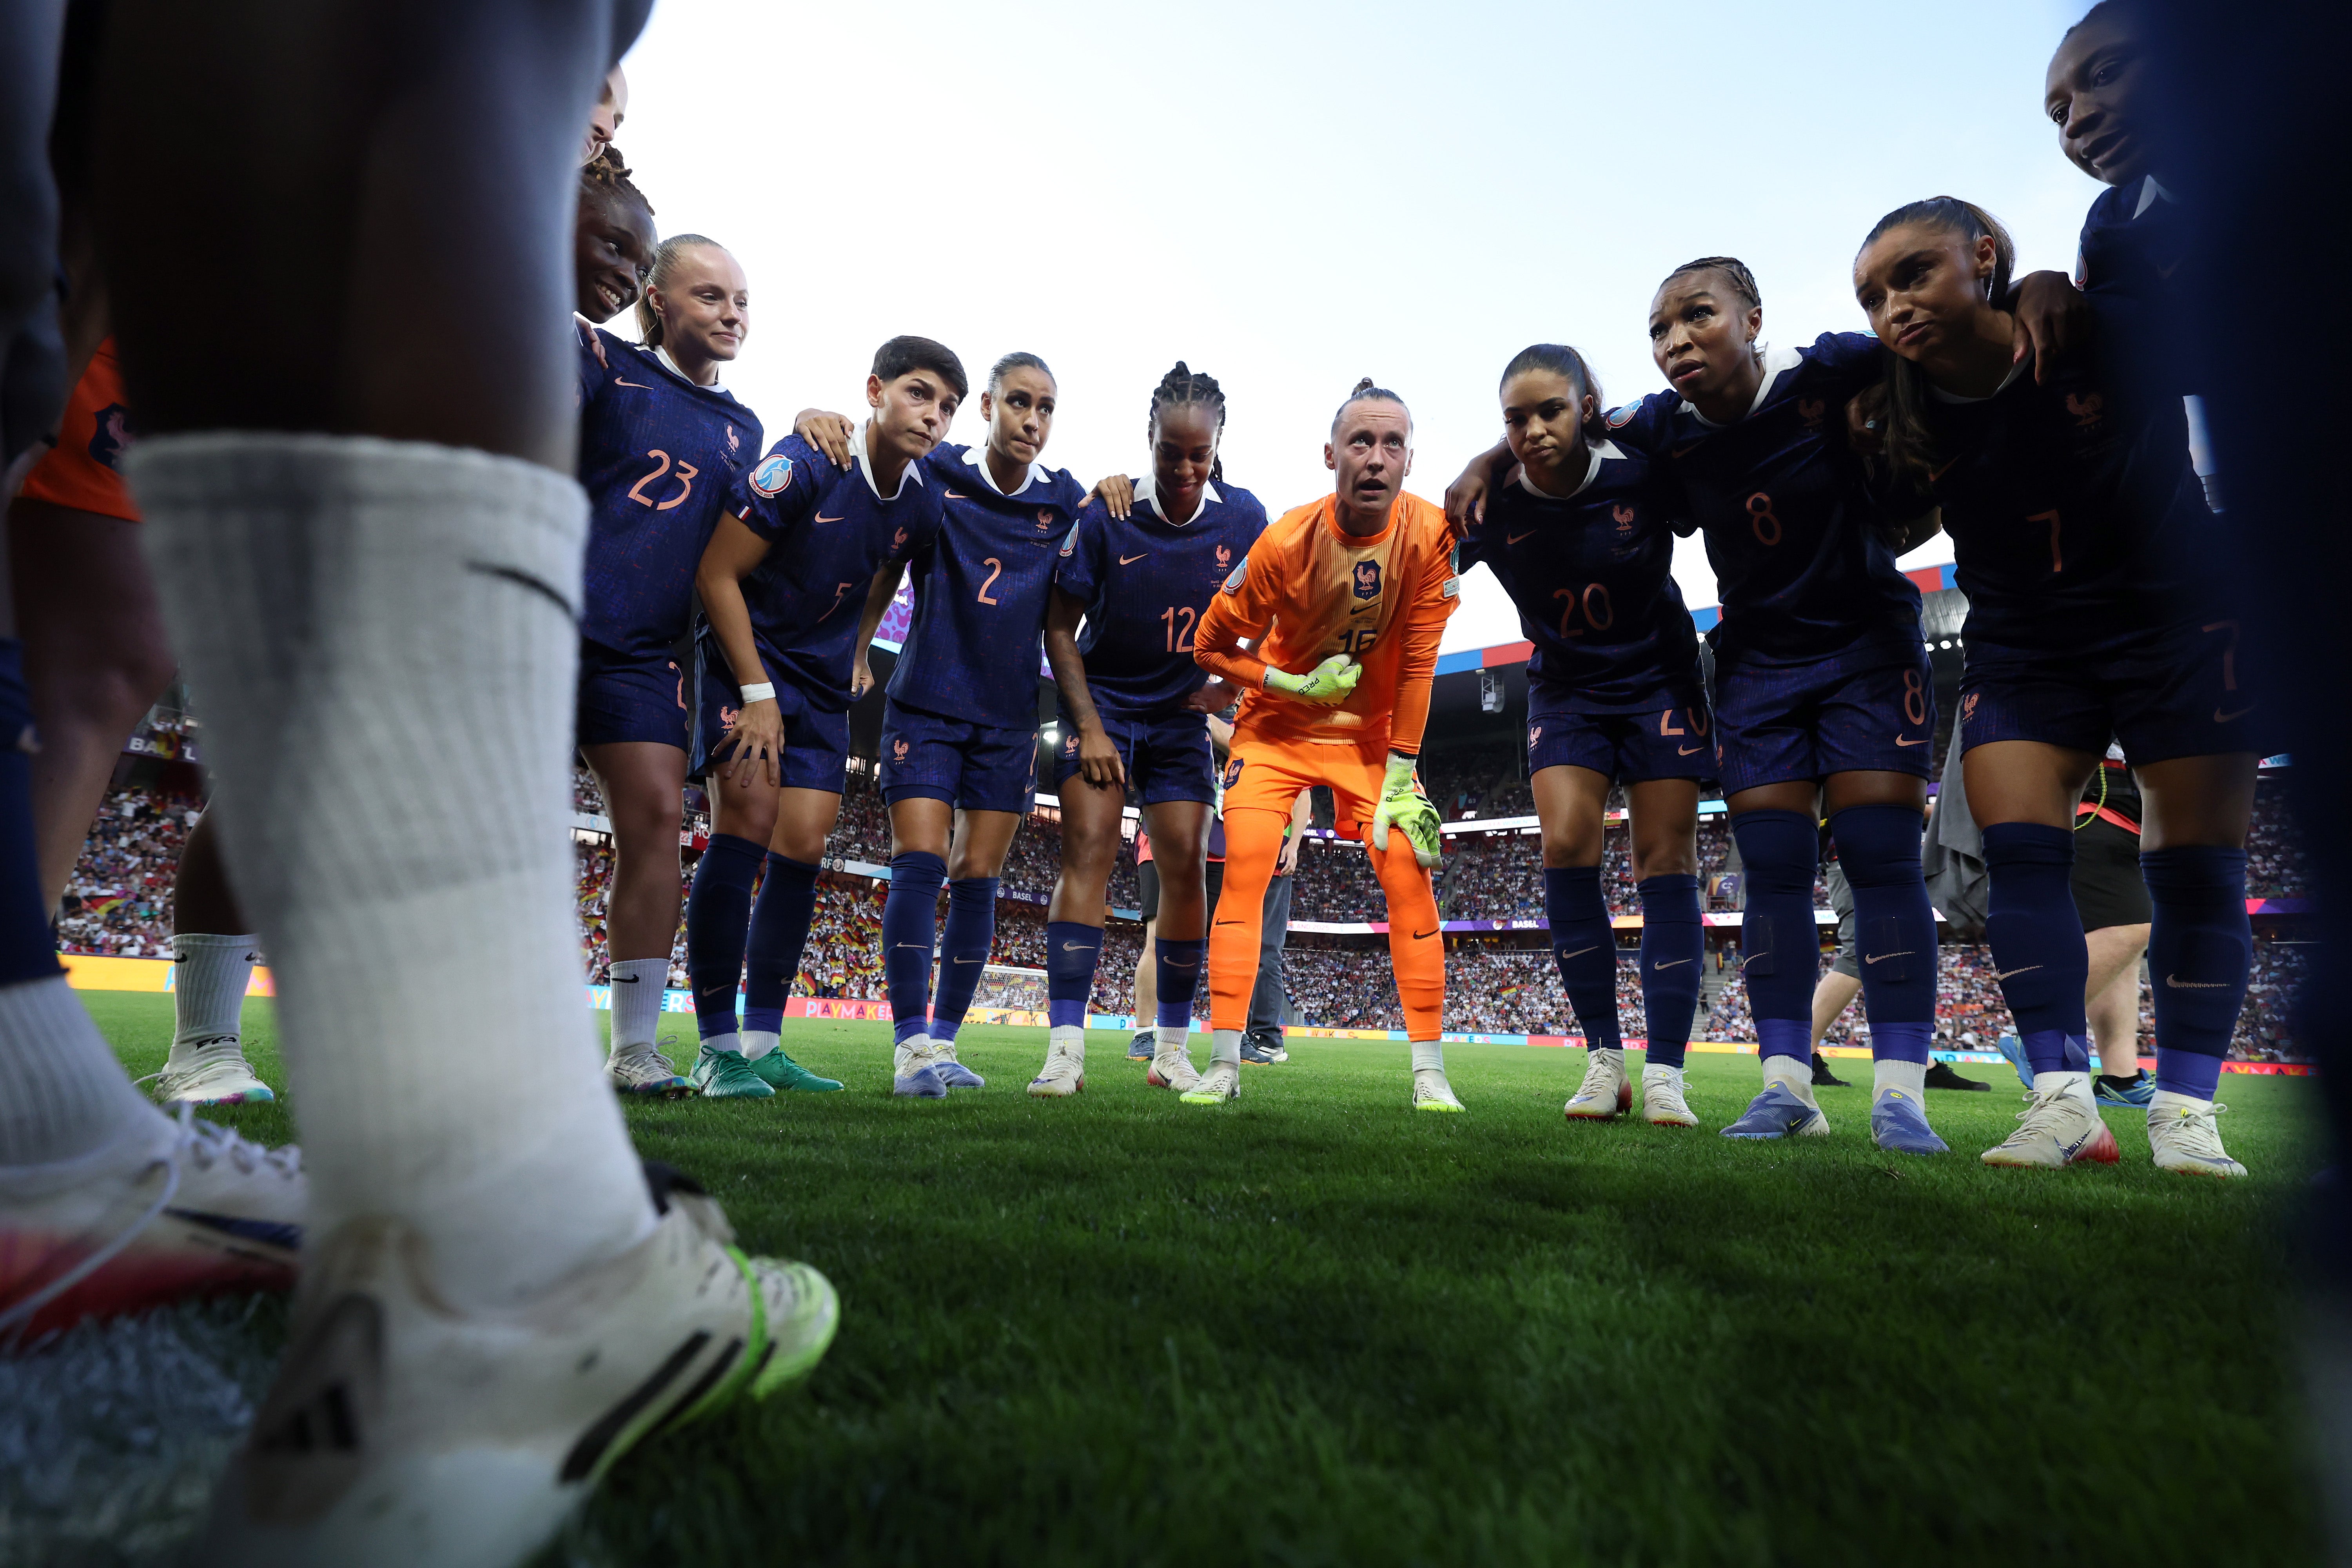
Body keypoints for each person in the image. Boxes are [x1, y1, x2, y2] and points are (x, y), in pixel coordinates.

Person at [82, 5, 836, 1555]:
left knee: (211, 60)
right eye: (668, 281)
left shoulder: (740, 419)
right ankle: (455, 1208)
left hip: (606, 629)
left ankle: (551, 1120)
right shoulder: (588, 356)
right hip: (504, 584)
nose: (688, 302)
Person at [1448, 258, 2083, 1158]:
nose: (1676, 342)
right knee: (1775, 870)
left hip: (1866, 645)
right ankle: (1786, 1083)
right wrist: (1487, 454)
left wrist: (2037, 286)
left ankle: (1901, 1095)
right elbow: (1563, 431)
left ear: (1753, 316)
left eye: (1697, 316)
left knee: (1879, 859)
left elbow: (1945, 344)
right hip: (1755, 662)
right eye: (1660, 331)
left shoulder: (1834, 370)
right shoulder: (1659, 426)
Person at [1853, 194, 2258, 1176]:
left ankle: (2186, 1112)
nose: (1893, 308)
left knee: (2201, 864)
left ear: (1984, 255)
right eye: (1872, 296)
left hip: (2177, 615)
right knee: (2019, 858)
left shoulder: (2091, 330)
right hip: (2028, 641)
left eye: (1914, 274)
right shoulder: (1892, 405)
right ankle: (2061, 1101)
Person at [800, 353, 1087, 1098]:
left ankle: (945, 1045)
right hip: (926, 701)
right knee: (920, 861)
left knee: (979, 876)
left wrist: (1127, 486)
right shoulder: (938, 474)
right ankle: (907, 1045)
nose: (1032, 421)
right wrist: (859, 649)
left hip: (1008, 720)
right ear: (987, 406)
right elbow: (885, 565)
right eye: (1018, 403)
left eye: (1047, 408)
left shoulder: (1068, 504)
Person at [684, 336, 953, 1098]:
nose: (932, 415)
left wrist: (862, 645)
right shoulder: (808, 460)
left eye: (946, 406)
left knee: (803, 843)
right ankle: (715, 1048)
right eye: (919, 393)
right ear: (876, 389)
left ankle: (765, 1042)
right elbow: (715, 570)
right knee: (746, 822)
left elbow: (891, 562)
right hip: (753, 658)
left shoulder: (923, 497)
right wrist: (758, 690)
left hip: (823, 679)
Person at [1454, 343, 1711, 1128]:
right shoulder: (1487, 504)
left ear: (1586, 405)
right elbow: (1415, 575)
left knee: (1666, 857)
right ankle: (1605, 1060)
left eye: (1549, 410)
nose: (1531, 430)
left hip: (1661, 677)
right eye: (1515, 419)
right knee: (1566, 844)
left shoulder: (1641, 464)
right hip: (1567, 687)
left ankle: (1665, 1068)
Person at [1190, 379, 1460, 1109]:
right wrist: (1293, 685)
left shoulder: (1433, 537)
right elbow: (1210, 646)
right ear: (1330, 455)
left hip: (1373, 742)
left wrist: (1404, 773)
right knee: (1244, 870)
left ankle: (1431, 1074)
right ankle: (1223, 1064)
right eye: (1361, 442)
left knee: (1409, 871)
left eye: (1392, 444)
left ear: (1410, 460)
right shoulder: (1285, 541)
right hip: (1277, 730)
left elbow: (1418, 665)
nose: (1376, 458)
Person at [1029, 363, 1268, 1096]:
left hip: (1178, 720)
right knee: (1089, 856)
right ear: (1151, 441)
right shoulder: (1108, 515)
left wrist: (1236, 678)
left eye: (1200, 453)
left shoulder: (1246, 518)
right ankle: (1065, 1051)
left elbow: (1273, 610)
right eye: (1171, 451)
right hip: (1103, 706)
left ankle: (1170, 1048)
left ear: (1219, 446)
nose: (1185, 467)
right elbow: (1060, 628)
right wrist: (1091, 728)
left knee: (1187, 872)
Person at [575, 229, 761, 1095]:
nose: (731, 313)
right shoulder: (599, 361)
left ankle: (635, 1049)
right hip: (546, 624)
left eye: (741, 300)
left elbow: (738, 552)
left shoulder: (745, 429)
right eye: (710, 296)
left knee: (653, 821)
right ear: (658, 300)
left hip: (645, 654)